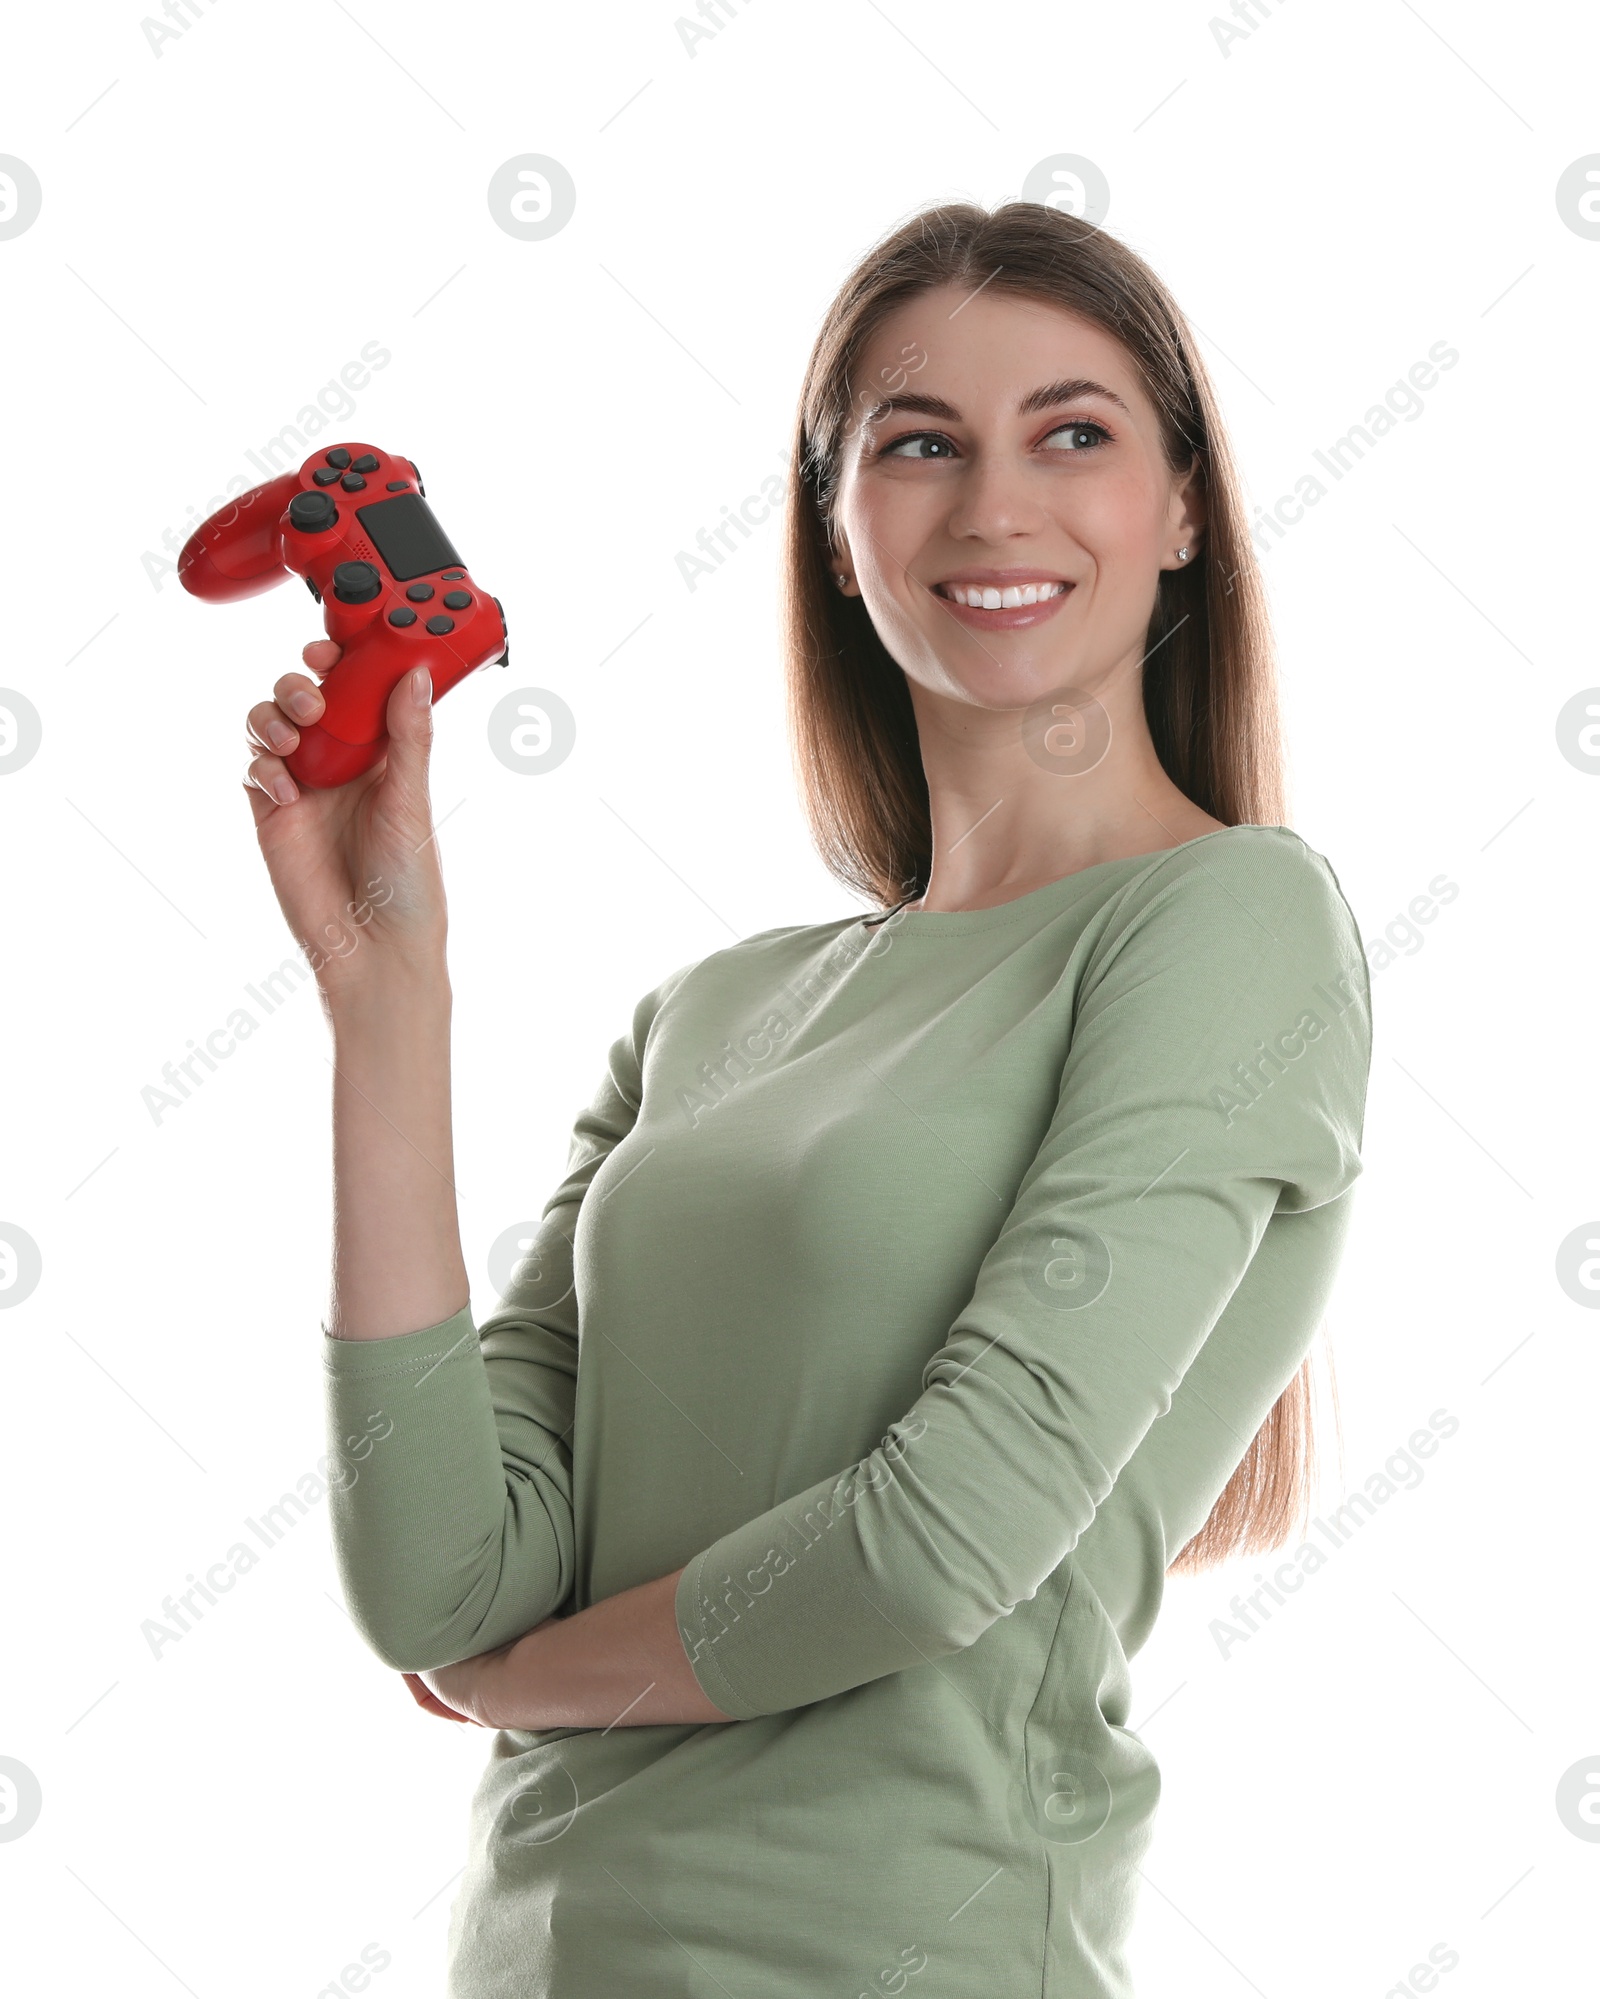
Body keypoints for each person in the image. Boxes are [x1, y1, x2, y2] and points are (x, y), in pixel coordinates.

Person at [243, 199, 1373, 1998]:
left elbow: (944, 1541)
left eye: (1072, 434)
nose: (995, 506)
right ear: (838, 535)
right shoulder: (716, 1013)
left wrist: (536, 1691)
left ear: (1180, 516)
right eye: (920, 446)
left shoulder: (1234, 923)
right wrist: (384, 998)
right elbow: (444, 1587)